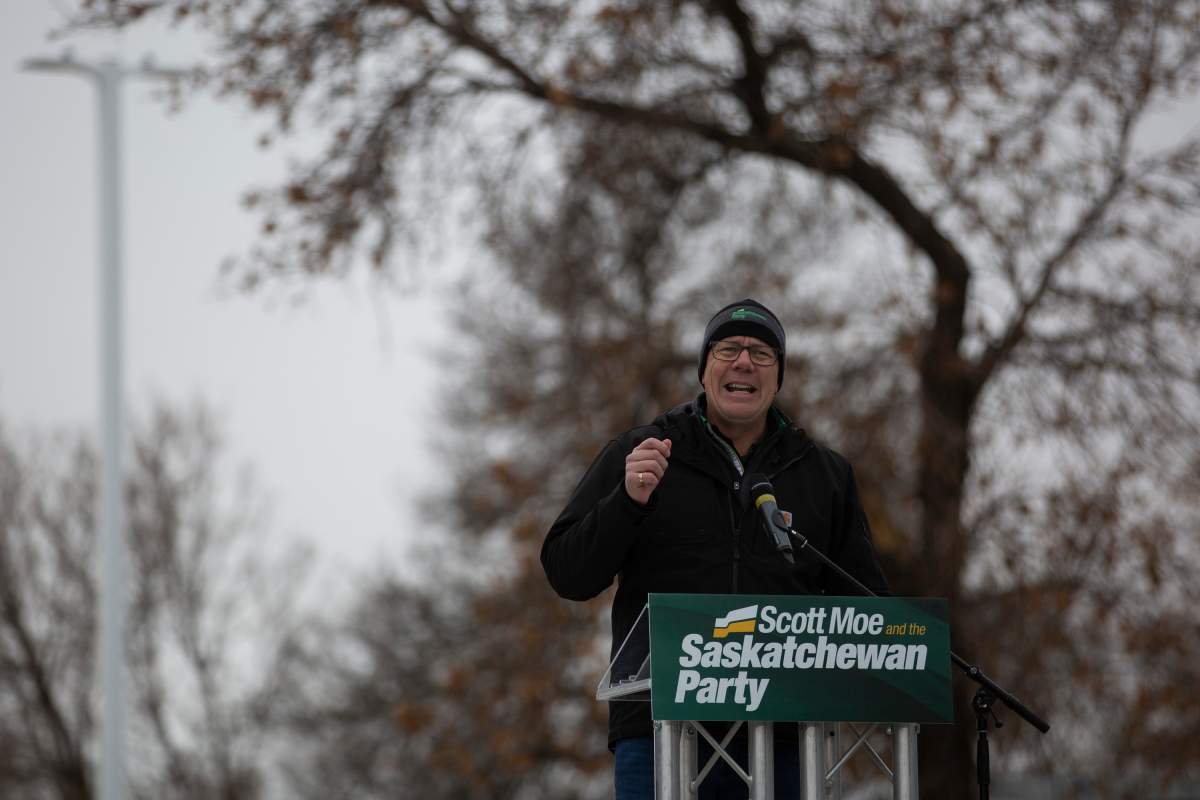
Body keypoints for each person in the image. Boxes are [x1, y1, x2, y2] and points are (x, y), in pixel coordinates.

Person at [540, 298, 890, 800]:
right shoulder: (642, 452)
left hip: (787, 735)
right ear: (704, 370)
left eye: (761, 354)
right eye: (727, 349)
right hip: (660, 732)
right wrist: (627, 502)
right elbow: (566, 573)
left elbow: (868, 608)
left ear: (778, 377)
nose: (744, 362)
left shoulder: (823, 472)